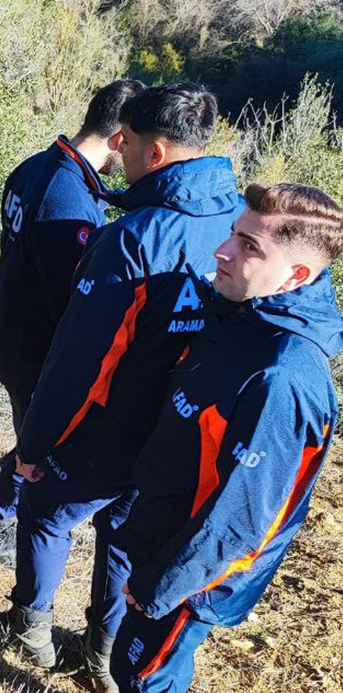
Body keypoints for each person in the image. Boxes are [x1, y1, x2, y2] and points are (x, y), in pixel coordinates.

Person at [0, 84, 244, 692]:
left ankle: (30, 627)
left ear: (155, 152)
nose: (121, 154)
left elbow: (80, 360)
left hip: (111, 426)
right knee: (126, 537)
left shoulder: (135, 236)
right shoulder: (241, 225)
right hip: (180, 429)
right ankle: (103, 651)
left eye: (129, 144)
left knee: (46, 511)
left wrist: (34, 444)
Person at [110, 183, 342, 692]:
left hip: (194, 579)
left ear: (296, 275)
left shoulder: (283, 378)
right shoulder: (244, 313)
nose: (223, 250)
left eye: (249, 246)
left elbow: (239, 523)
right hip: (164, 538)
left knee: (143, 678)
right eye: (234, 234)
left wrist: (160, 587)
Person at [0, 78, 144, 569]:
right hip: (36, 349)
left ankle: (5, 479)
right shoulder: (69, 204)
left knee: (33, 434)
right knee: (44, 450)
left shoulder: (35, 167)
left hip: (13, 331)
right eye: (132, 143)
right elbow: (70, 301)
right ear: (118, 138)